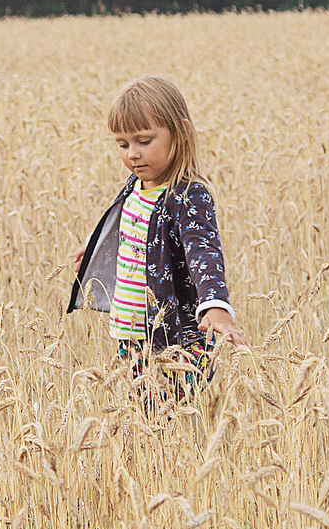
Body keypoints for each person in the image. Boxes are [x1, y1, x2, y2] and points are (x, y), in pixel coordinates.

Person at [67, 76, 246, 400]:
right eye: (123, 145)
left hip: (176, 340)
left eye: (144, 141)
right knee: (144, 428)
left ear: (181, 133)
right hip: (130, 337)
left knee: (172, 427)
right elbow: (131, 226)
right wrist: (96, 248)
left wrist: (216, 307)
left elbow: (204, 253)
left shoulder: (188, 195)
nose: (133, 154)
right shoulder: (136, 186)